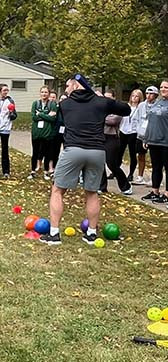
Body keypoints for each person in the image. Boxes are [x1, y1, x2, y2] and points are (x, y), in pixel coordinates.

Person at [38, 76, 130, 245]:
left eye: (68, 86)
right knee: (92, 192)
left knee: (58, 190)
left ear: (76, 85)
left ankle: (54, 234)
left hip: (74, 150)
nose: (65, 89)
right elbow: (126, 109)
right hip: (97, 151)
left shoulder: (65, 104)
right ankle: (92, 234)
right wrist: (103, 99)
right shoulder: (101, 102)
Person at [99, 89, 132, 195]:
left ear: (113, 98)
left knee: (112, 164)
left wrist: (102, 118)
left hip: (112, 138)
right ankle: (102, 186)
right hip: (101, 137)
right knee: (100, 163)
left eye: (109, 98)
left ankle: (125, 186)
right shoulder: (102, 108)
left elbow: (113, 121)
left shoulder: (118, 109)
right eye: (105, 98)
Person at [142, 79, 168, 204]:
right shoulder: (157, 103)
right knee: (156, 167)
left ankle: (167, 193)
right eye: (162, 87)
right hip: (153, 141)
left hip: (165, 141)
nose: (163, 89)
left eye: (166, 87)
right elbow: (150, 121)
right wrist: (146, 138)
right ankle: (155, 191)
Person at [29, 86, 57, 179]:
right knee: (35, 152)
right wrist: (46, 115)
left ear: (48, 94)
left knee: (46, 153)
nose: (44, 94)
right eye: (42, 92)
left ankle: (46, 171)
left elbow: (53, 118)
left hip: (47, 133)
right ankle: (33, 171)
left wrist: (40, 114)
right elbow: (34, 117)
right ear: (40, 93)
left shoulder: (52, 104)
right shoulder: (35, 103)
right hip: (36, 132)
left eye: (46, 92)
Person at [133, 85, 159, 188]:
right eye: (147, 93)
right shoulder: (141, 105)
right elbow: (137, 118)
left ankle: (156, 178)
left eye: (151, 94)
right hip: (141, 134)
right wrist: (138, 130)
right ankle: (140, 176)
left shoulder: (158, 105)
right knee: (141, 155)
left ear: (156, 95)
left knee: (155, 158)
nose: (148, 96)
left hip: (153, 135)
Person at [119, 89, 143, 183]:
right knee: (119, 152)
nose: (134, 98)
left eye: (136, 96)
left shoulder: (139, 108)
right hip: (123, 130)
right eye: (133, 95)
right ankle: (116, 170)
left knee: (132, 154)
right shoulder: (126, 106)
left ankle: (131, 174)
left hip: (133, 132)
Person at [0, 83, 17, 178]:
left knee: (5, 150)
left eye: (7, 90)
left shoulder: (10, 101)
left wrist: (11, 113)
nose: (6, 92)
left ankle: (6, 171)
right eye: (4, 90)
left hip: (5, 129)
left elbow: (14, 116)